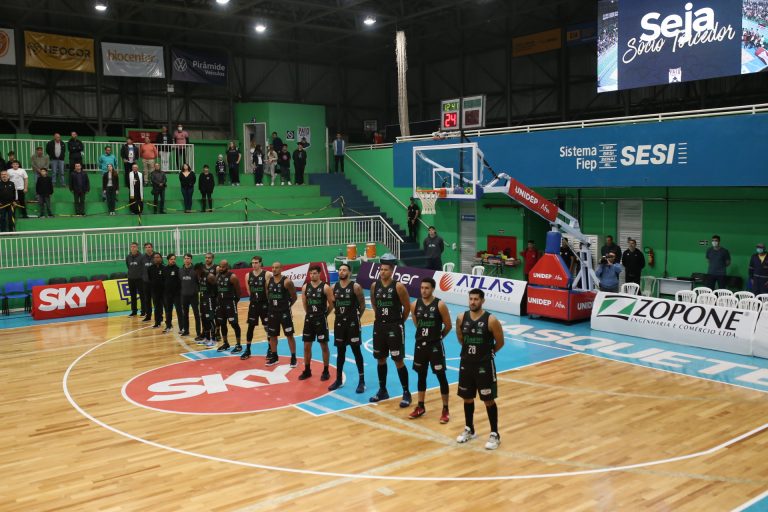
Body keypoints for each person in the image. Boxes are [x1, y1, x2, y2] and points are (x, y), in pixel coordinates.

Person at [455, 288, 505, 450]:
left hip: (484, 366)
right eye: (471, 299)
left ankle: (495, 434)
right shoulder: (461, 317)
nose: (473, 302)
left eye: (476, 299)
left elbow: (500, 342)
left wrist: (488, 353)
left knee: (488, 399)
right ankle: (469, 429)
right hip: (466, 364)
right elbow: (461, 339)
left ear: (482, 301)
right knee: (467, 398)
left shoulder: (491, 320)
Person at [408, 277, 453, 423]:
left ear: (433, 289)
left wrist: (438, 338)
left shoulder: (440, 304)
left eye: (427, 288)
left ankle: (445, 409)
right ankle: (420, 406)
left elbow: (448, 326)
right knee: (421, 376)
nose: (423, 290)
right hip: (420, 346)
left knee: (441, 376)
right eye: (422, 288)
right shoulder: (414, 304)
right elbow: (417, 324)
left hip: (435, 347)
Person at [369, 260, 412, 407]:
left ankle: (406, 392)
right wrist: (380, 316)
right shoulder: (374, 286)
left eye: (386, 270)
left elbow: (407, 307)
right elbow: (374, 303)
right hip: (379, 326)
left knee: (398, 360)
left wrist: (399, 322)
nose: (382, 272)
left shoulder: (398, 286)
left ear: (392, 271)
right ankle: (383, 390)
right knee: (380, 359)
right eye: (381, 269)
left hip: (394, 326)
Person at [328, 263, 366, 392]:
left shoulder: (355, 287)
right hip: (339, 323)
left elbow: (362, 306)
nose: (341, 272)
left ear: (349, 273)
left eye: (344, 270)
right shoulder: (334, 287)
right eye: (340, 270)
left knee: (356, 351)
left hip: (352, 324)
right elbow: (333, 304)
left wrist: (356, 319)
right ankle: (338, 380)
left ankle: (362, 381)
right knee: (340, 352)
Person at [299, 265, 334, 381]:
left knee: (324, 345)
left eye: (314, 273)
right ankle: (307, 370)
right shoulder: (305, 287)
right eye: (311, 273)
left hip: (321, 319)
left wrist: (325, 314)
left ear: (319, 274)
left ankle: (326, 370)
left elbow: (332, 304)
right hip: (309, 319)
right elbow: (304, 303)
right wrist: (309, 314)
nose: (312, 275)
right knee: (306, 346)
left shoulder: (326, 287)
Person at [265, 261, 298, 367]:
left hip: (284, 313)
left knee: (289, 335)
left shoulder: (287, 282)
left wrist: (287, 307)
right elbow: (268, 296)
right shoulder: (268, 281)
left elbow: (294, 297)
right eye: (272, 267)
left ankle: (293, 357)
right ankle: (274, 357)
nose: (274, 269)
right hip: (272, 312)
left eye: (276, 267)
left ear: (281, 268)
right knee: (272, 336)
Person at [241, 256, 272, 360]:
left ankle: (270, 349)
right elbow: (249, 290)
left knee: (267, 327)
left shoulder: (267, 274)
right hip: (254, 304)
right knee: (250, 327)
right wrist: (254, 299)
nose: (254, 264)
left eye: (256, 262)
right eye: (253, 263)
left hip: (264, 304)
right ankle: (248, 350)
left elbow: (268, 290)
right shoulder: (247, 275)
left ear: (260, 263)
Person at [212, 260, 243, 353]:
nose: (221, 268)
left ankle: (238, 345)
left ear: (227, 267)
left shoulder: (233, 277)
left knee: (234, 324)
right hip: (220, 304)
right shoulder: (217, 276)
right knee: (222, 324)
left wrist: (234, 302)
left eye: (223, 267)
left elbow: (239, 292)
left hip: (230, 303)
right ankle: (226, 343)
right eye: (220, 266)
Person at [196, 256, 218, 347]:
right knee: (204, 319)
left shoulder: (210, 276)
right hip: (202, 299)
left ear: (201, 269)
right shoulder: (200, 276)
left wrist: (214, 298)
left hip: (209, 300)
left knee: (210, 319)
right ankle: (207, 338)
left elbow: (216, 287)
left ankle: (214, 340)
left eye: (197, 271)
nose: (196, 273)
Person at [179, 254, 200, 338]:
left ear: (191, 260)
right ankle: (186, 331)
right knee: (185, 314)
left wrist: (196, 290)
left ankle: (198, 332)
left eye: (188, 258)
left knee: (196, 314)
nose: (187, 260)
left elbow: (198, 282)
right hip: (184, 296)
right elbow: (179, 282)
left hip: (193, 296)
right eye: (185, 258)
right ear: (183, 260)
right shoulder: (180, 270)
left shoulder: (196, 270)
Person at [162, 254, 182, 334]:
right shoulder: (164, 269)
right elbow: (163, 281)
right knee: (168, 311)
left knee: (179, 311)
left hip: (177, 294)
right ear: (168, 260)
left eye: (174, 259)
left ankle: (182, 327)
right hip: (167, 294)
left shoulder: (178, 269)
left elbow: (180, 282)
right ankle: (168, 326)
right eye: (171, 259)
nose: (173, 260)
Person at [125, 242, 144, 317]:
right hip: (131, 279)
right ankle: (134, 311)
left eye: (134, 246)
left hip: (140, 279)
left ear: (137, 248)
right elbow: (128, 266)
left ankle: (143, 311)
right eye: (132, 247)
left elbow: (143, 267)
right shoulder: (128, 257)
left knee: (142, 296)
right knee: (133, 296)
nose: (133, 248)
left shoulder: (142, 257)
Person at [148, 252, 165, 328]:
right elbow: (150, 279)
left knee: (167, 307)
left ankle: (168, 324)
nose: (156, 259)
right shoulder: (150, 268)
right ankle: (157, 322)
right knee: (156, 307)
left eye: (158, 257)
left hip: (164, 291)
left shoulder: (165, 268)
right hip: (155, 291)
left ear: (161, 258)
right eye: (155, 257)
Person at [141, 243, 155, 321]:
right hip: (146, 282)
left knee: (156, 300)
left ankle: (159, 316)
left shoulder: (156, 256)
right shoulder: (142, 258)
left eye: (149, 247)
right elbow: (140, 268)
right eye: (146, 247)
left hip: (155, 283)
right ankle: (148, 316)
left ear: (152, 248)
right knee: (147, 300)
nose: (147, 248)